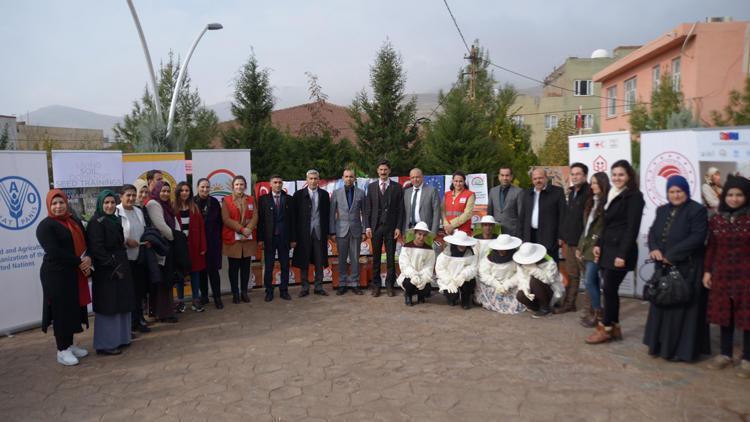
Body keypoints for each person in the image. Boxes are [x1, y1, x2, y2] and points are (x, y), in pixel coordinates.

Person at [643, 175, 710, 362]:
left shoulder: (697, 210)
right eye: (672, 192)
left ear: (686, 191)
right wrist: (654, 249)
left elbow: (697, 237)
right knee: (662, 305)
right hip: (663, 268)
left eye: (679, 191)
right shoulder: (662, 210)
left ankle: (682, 351)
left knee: (683, 310)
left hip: (687, 268)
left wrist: (671, 256)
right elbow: (653, 233)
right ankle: (661, 346)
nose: (675, 195)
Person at [587, 160, 645, 344]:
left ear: (629, 176)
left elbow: (631, 228)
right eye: (614, 175)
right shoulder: (611, 194)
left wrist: (622, 254)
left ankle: (605, 328)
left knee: (609, 288)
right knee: (610, 291)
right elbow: (606, 223)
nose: (617, 178)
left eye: (621, 174)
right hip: (606, 249)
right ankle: (616, 327)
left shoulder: (635, 197)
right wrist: (598, 243)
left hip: (621, 251)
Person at [37, 190, 92, 366]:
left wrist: (87, 258)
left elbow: (86, 241)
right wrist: (79, 261)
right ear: (49, 206)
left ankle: (69, 344)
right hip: (56, 275)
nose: (58, 206)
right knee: (61, 311)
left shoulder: (73, 221)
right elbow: (54, 252)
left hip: (73, 273)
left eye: (61, 202)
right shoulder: (45, 226)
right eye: (54, 204)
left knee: (72, 309)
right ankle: (62, 350)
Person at [703, 175, 750, 378]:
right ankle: (725, 354)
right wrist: (707, 271)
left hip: (746, 274)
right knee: (725, 315)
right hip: (722, 273)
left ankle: (747, 358)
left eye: (739, 195)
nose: (734, 199)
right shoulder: (717, 219)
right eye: (730, 194)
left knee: (747, 316)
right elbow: (712, 247)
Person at [87, 190, 135, 356]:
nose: (109, 206)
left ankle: (122, 338)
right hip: (106, 272)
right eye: (106, 203)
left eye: (112, 203)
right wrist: (113, 264)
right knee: (109, 306)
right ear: (100, 204)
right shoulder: (96, 222)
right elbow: (97, 249)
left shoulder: (114, 219)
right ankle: (106, 344)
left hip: (120, 265)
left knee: (121, 302)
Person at [364, 159, 403, 297]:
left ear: (389, 171)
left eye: (385, 169)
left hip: (391, 228)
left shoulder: (397, 187)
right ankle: (376, 286)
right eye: (380, 170)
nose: (383, 172)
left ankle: (389, 286)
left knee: (391, 258)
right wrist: (367, 226)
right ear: (377, 171)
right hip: (375, 228)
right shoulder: (372, 187)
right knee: (376, 258)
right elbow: (368, 208)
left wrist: (398, 227)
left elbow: (400, 209)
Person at [576, 172, 609, 328]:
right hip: (586, 246)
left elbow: (603, 230)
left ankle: (598, 313)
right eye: (592, 183)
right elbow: (586, 228)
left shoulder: (608, 203)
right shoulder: (591, 202)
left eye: (595, 183)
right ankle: (598, 313)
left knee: (589, 281)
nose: (592, 186)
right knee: (593, 281)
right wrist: (580, 246)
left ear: (603, 183)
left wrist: (597, 245)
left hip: (598, 248)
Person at [116, 184, 150, 334]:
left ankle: (139, 319)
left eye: (133, 195)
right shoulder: (116, 211)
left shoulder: (138, 211)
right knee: (128, 291)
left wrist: (147, 240)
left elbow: (143, 229)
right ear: (121, 196)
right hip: (125, 259)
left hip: (139, 256)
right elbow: (115, 234)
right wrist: (125, 240)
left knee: (139, 289)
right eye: (128, 195)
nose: (131, 198)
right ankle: (128, 324)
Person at [557, 163, 591, 314]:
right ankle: (569, 304)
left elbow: (589, 221)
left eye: (578, 174)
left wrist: (585, 243)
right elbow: (568, 218)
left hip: (583, 243)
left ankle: (592, 309)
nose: (575, 176)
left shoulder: (590, 193)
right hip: (570, 242)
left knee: (589, 277)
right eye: (573, 174)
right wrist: (562, 236)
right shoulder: (571, 193)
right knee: (572, 274)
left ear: (585, 176)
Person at [292, 170, 331, 297]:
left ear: (319, 180)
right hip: (304, 234)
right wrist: (294, 236)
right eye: (311, 178)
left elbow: (328, 215)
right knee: (304, 260)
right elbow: (294, 217)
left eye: (315, 178)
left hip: (319, 233)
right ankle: (304, 287)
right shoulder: (298, 195)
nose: (313, 181)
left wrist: (329, 232)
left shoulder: (324, 195)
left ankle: (318, 286)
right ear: (306, 180)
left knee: (319, 261)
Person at [144, 181, 178, 323]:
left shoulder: (166, 205)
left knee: (166, 279)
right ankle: (163, 313)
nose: (165, 193)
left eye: (167, 191)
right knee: (162, 281)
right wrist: (175, 237)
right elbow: (160, 225)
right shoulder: (153, 204)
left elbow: (174, 222)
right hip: (161, 247)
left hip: (166, 246)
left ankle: (165, 311)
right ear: (157, 191)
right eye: (162, 191)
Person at [257, 175, 295, 302]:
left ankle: (284, 290)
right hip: (269, 238)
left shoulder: (289, 199)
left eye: (280, 182)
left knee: (285, 265)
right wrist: (260, 239)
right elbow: (260, 221)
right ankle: (269, 291)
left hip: (284, 238)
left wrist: (293, 239)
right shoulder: (263, 200)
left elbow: (293, 222)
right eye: (275, 182)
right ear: (270, 184)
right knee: (269, 266)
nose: (278, 184)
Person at [221, 175, 258, 304]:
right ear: (233, 186)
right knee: (233, 268)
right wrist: (242, 230)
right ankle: (235, 293)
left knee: (246, 268)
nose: (239, 187)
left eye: (241, 184)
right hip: (233, 239)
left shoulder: (251, 199)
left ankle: (244, 292)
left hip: (248, 239)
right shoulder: (226, 200)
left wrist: (248, 229)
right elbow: (226, 219)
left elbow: (255, 216)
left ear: (245, 186)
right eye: (237, 184)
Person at [330, 168, 366, 296]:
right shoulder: (336, 193)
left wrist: (363, 231)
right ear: (342, 178)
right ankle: (342, 283)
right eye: (346, 176)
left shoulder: (361, 193)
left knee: (355, 258)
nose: (349, 179)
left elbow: (365, 214)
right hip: (341, 230)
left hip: (356, 230)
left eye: (351, 176)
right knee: (342, 258)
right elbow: (332, 214)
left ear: (354, 178)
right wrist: (332, 232)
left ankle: (355, 283)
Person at [174, 182, 207, 313]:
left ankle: (195, 300)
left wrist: (203, 246)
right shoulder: (173, 208)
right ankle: (181, 301)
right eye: (182, 190)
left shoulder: (194, 208)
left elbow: (201, 229)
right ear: (178, 192)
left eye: (187, 190)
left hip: (194, 246)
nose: (184, 193)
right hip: (179, 248)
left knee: (195, 274)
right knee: (180, 275)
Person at [519, 168, 565, 262]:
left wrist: (561, 236)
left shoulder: (557, 192)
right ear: (532, 180)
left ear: (546, 178)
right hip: (530, 236)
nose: (538, 180)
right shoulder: (526, 193)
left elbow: (562, 215)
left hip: (549, 236)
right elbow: (522, 216)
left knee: (550, 265)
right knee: (532, 264)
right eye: (535, 179)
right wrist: (520, 236)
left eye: (540, 178)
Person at [512, 242, 564, 318]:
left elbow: (549, 280)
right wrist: (526, 290)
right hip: (534, 291)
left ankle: (545, 308)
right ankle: (537, 307)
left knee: (534, 281)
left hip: (550, 291)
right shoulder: (521, 264)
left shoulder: (549, 262)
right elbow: (522, 279)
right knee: (520, 296)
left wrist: (534, 269)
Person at [476, 234, 526, 314]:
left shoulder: (516, 258)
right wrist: (496, 284)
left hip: (511, 286)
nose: (501, 251)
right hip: (493, 285)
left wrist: (508, 284)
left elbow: (520, 273)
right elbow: (483, 273)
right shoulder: (489, 258)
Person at [195, 178, 224, 309]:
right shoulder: (192, 202)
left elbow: (220, 223)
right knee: (201, 271)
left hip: (213, 242)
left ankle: (217, 297)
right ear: (197, 187)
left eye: (207, 187)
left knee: (213, 271)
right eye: (202, 187)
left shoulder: (214, 202)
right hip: (197, 243)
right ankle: (204, 296)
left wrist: (218, 239)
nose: (205, 189)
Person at [435, 230, 478, 309]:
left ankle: (465, 299)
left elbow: (473, 267)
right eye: (459, 243)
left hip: (463, 279)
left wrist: (463, 275)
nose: (462, 246)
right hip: (449, 280)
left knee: (470, 283)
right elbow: (440, 269)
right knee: (452, 298)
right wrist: (449, 281)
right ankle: (453, 297)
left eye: (463, 244)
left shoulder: (470, 253)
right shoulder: (445, 254)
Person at [396, 222, 436, 306]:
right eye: (419, 234)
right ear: (415, 234)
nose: (421, 237)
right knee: (408, 283)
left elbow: (429, 266)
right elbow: (404, 264)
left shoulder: (429, 249)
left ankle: (421, 296)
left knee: (427, 288)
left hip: (422, 275)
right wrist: (413, 275)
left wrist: (423, 277)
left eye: (424, 235)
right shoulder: (407, 247)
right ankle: (408, 295)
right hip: (410, 275)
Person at [487, 167, 524, 237]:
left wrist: (520, 232)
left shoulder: (519, 192)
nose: (504, 178)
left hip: (512, 232)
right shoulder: (493, 191)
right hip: (495, 231)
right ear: (498, 176)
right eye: (502, 175)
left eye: (507, 175)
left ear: (511, 177)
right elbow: (489, 212)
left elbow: (521, 214)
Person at [402, 168, 441, 234]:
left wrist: (434, 232)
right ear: (410, 179)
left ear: (422, 177)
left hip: (426, 230)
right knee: (409, 245)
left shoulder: (432, 191)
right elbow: (404, 213)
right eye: (412, 177)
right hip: (409, 230)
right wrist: (403, 231)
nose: (415, 179)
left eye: (417, 177)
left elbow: (436, 213)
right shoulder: (406, 192)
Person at [442, 171, 475, 236]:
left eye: (460, 181)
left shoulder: (470, 194)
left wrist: (452, 225)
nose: (458, 183)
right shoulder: (446, 194)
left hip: (463, 230)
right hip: (448, 231)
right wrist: (446, 225)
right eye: (456, 181)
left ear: (464, 182)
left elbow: (467, 214)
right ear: (452, 181)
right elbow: (442, 211)